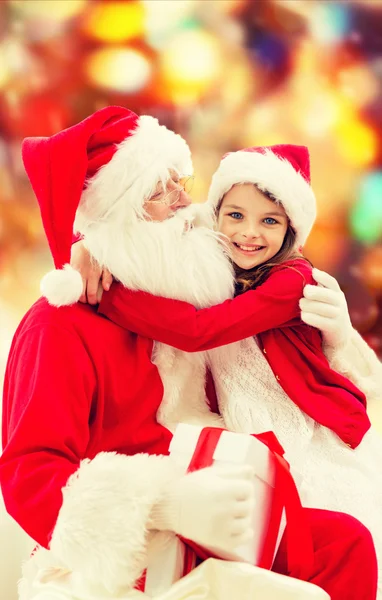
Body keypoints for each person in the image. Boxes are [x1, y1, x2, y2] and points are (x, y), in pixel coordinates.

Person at [0, 109, 377, 600]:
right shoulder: (60, 325)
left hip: (220, 509)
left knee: (346, 545)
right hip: (130, 546)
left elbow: (242, 255)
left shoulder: (188, 290)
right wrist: (164, 505)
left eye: (182, 182)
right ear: (120, 213)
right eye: (161, 189)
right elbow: (30, 474)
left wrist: (340, 339)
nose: (186, 201)